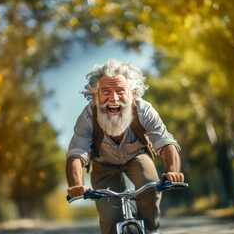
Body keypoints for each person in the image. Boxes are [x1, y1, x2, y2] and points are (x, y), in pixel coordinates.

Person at [66, 58, 184, 234]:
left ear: (133, 94)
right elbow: (76, 154)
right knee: (109, 216)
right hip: (102, 163)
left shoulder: (144, 110)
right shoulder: (88, 117)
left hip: (137, 157)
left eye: (120, 91)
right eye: (106, 91)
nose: (113, 99)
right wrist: (76, 184)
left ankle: (151, 230)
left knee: (150, 186)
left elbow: (165, 142)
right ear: (95, 95)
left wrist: (173, 171)